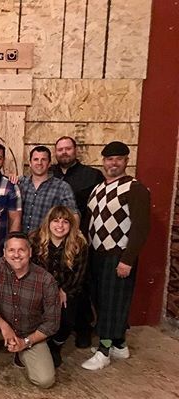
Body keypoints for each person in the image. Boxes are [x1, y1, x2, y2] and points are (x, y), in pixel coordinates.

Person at [81, 141, 150, 370]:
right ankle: (119, 344)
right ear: (103, 162)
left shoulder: (134, 188)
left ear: (126, 161)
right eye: (110, 159)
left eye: (118, 159)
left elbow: (141, 228)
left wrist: (127, 260)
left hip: (118, 254)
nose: (113, 163)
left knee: (113, 303)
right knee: (101, 300)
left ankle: (104, 350)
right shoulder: (99, 188)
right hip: (97, 253)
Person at [0, 232, 60, 388]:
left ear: (30, 252)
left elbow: (52, 324)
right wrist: (4, 326)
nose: (16, 255)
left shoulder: (45, 279)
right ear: (4, 253)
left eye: (21, 250)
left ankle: (21, 352)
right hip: (1, 329)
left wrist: (25, 342)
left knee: (45, 381)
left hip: (30, 333)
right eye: (11, 250)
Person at [51, 136, 104, 348]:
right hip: (52, 238)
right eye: (60, 149)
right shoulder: (50, 173)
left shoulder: (92, 176)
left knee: (80, 285)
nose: (64, 152)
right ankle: (56, 328)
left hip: (80, 240)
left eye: (68, 149)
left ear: (75, 151)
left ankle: (83, 328)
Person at [30, 206, 88, 367]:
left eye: (65, 222)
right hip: (40, 288)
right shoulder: (35, 240)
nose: (60, 225)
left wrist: (64, 290)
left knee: (67, 317)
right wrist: (50, 291)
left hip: (67, 288)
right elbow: (32, 270)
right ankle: (36, 343)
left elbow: (79, 275)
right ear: (49, 223)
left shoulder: (79, 244)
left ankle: (55, 346)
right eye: (56, 220)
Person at [18, 145, 78, 234]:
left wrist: (72, 239)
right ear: (30, 163)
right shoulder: (21, 183)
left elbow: (73, 215)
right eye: (36, 159)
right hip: (21, 243)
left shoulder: (62, 187)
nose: (39, 163)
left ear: (49, 163)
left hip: (45, 243)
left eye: (43, 159)